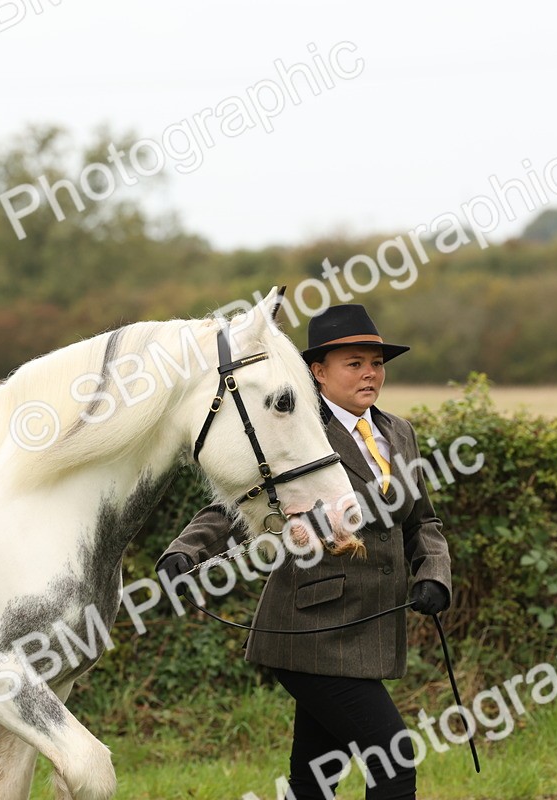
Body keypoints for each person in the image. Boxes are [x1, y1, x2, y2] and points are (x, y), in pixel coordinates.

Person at [156, 304, 451, 800]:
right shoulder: (295, 423)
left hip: (373, 627)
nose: (370, 373)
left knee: (313, 780)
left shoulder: (399, 432)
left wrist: (434, 574)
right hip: (309, 631)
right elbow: (238, 502)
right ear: (318, 371)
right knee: (395, 764)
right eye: (354, 363)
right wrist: (185, 552)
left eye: (376, 363)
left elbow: (423, 520)